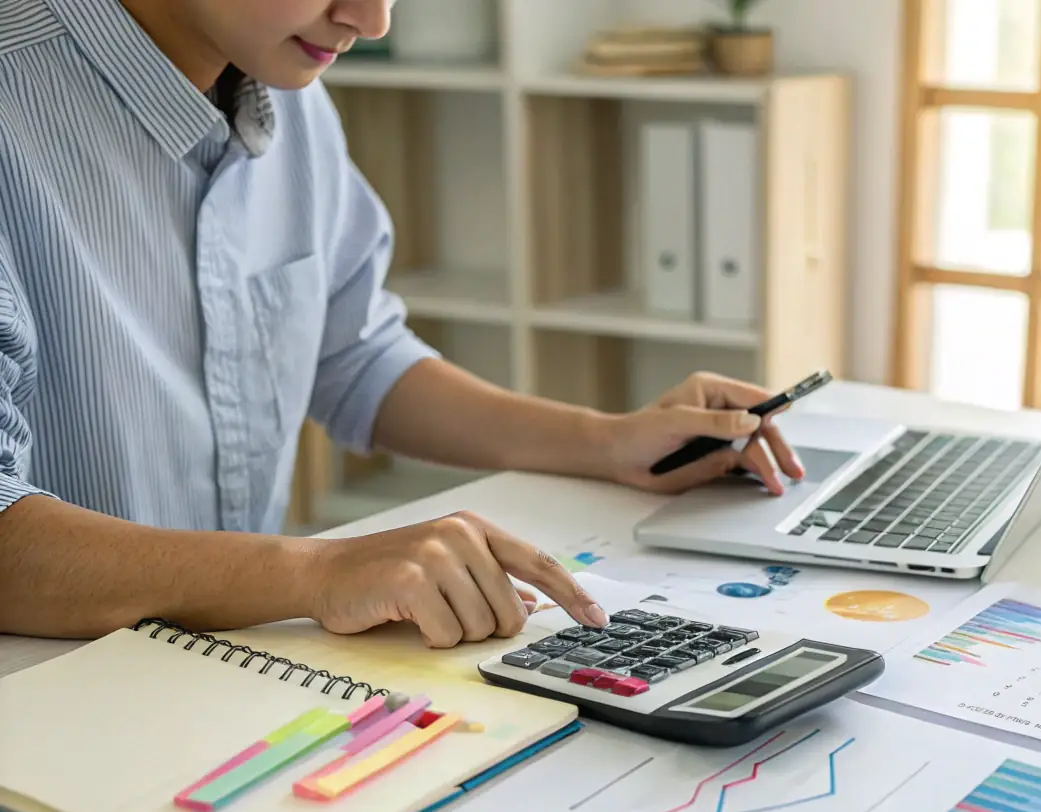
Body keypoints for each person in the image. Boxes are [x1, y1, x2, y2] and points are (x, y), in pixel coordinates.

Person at [0, 0, 804, 648]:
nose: (374, 18)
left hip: (211, 671)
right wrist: (315, 572)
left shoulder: (282, 86)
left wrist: (607, 441)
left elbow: (353, 354)